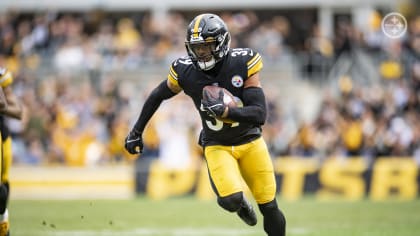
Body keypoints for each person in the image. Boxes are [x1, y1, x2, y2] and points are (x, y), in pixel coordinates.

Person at [125, 13, 286, 236]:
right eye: (196, 47)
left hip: (250, 141)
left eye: (206, 46)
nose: (200, 52)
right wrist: (136, 131)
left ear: (221, 43)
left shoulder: (242, 62)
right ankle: (241, 207)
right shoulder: (185, 71)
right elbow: (157, 95)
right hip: (217, 144)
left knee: (269, 205)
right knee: (230, 200)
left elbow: (260, 114)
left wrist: (228, 112)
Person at [0, 67, 24, 236]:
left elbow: (17, 111)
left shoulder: (1, 75)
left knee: (1, 190)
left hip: (1, 138)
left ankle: (3, 226)